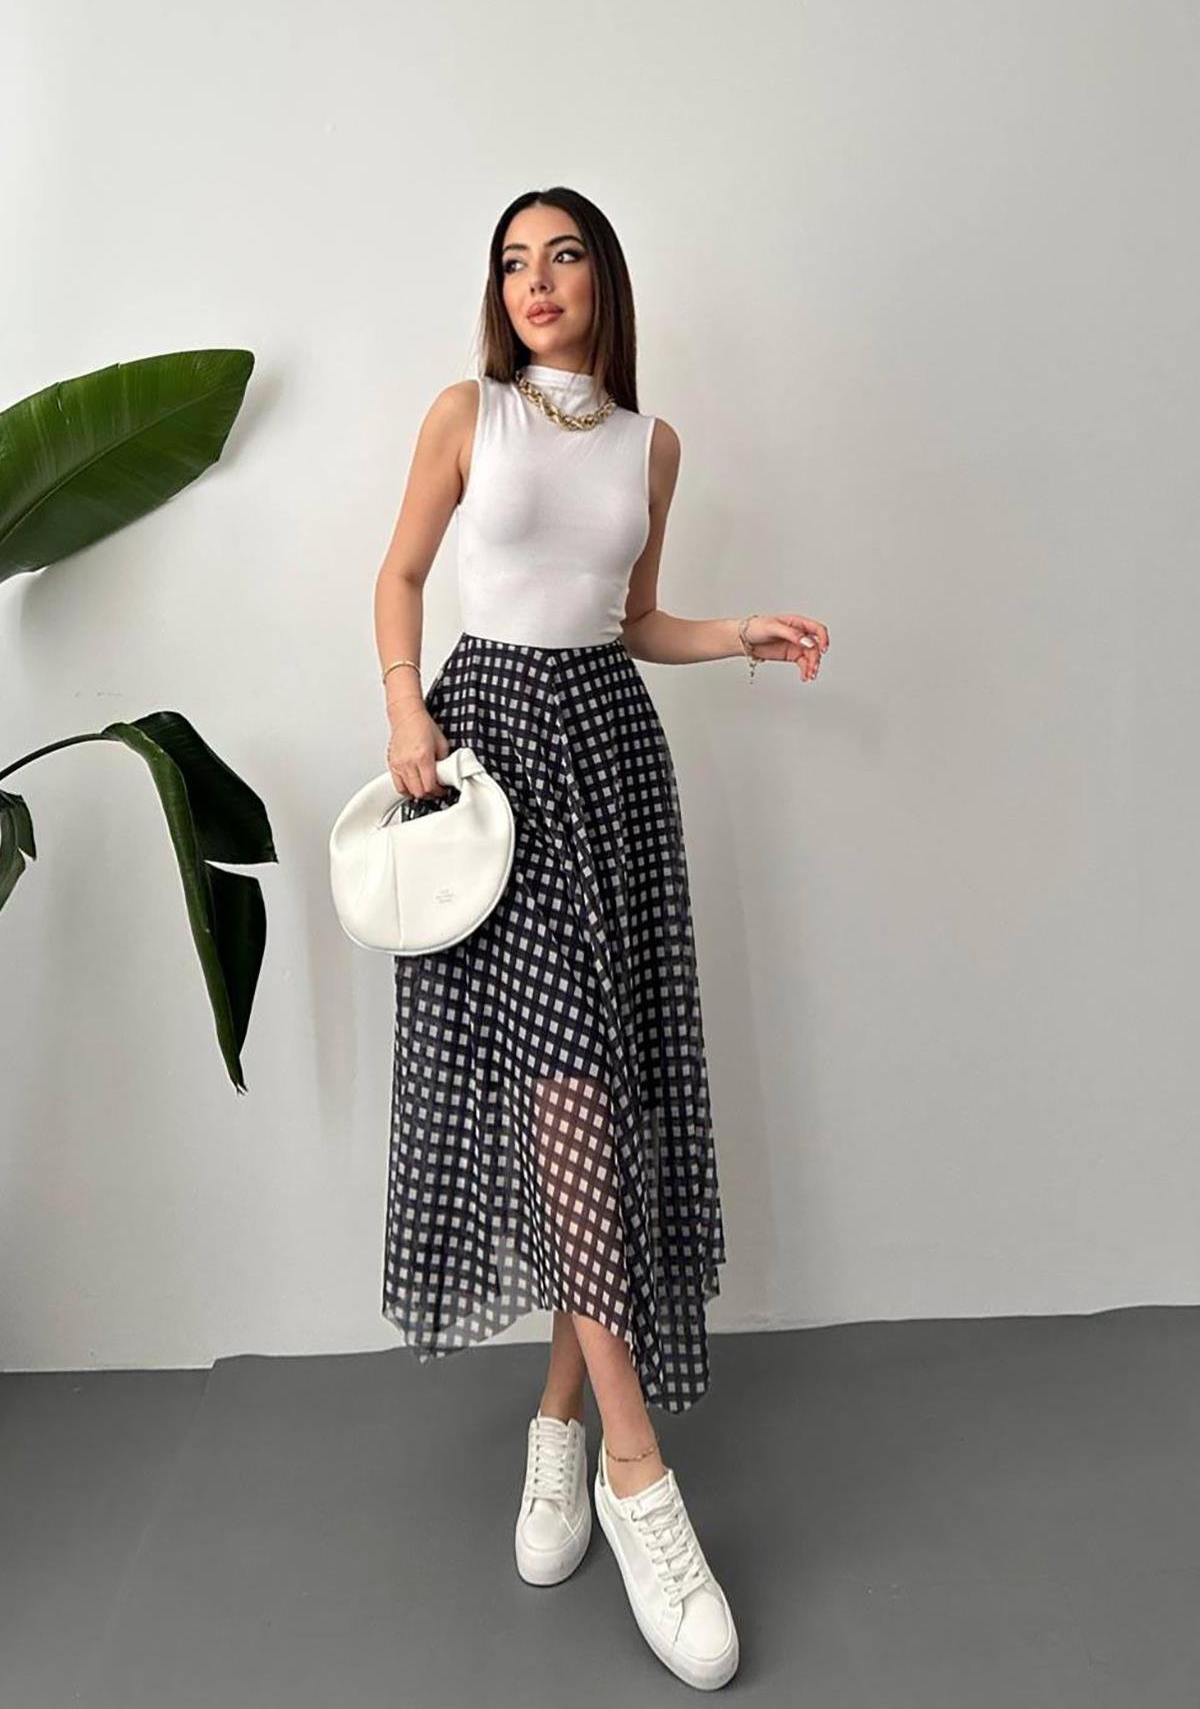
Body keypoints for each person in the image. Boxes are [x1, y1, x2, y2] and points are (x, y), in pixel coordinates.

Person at [372, 185, 829, 1691]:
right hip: (491, 763)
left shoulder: (652, 446)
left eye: (561, 254)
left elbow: (631, 619)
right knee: (563, 1105)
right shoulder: (467, 416)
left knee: (597, 1110)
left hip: (614, 764)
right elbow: (400, 576)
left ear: (602, 281)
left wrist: (738, 632)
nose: (535, 280)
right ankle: (644, 1484)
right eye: (513, 261)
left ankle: (557, 1427)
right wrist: (406, 709)